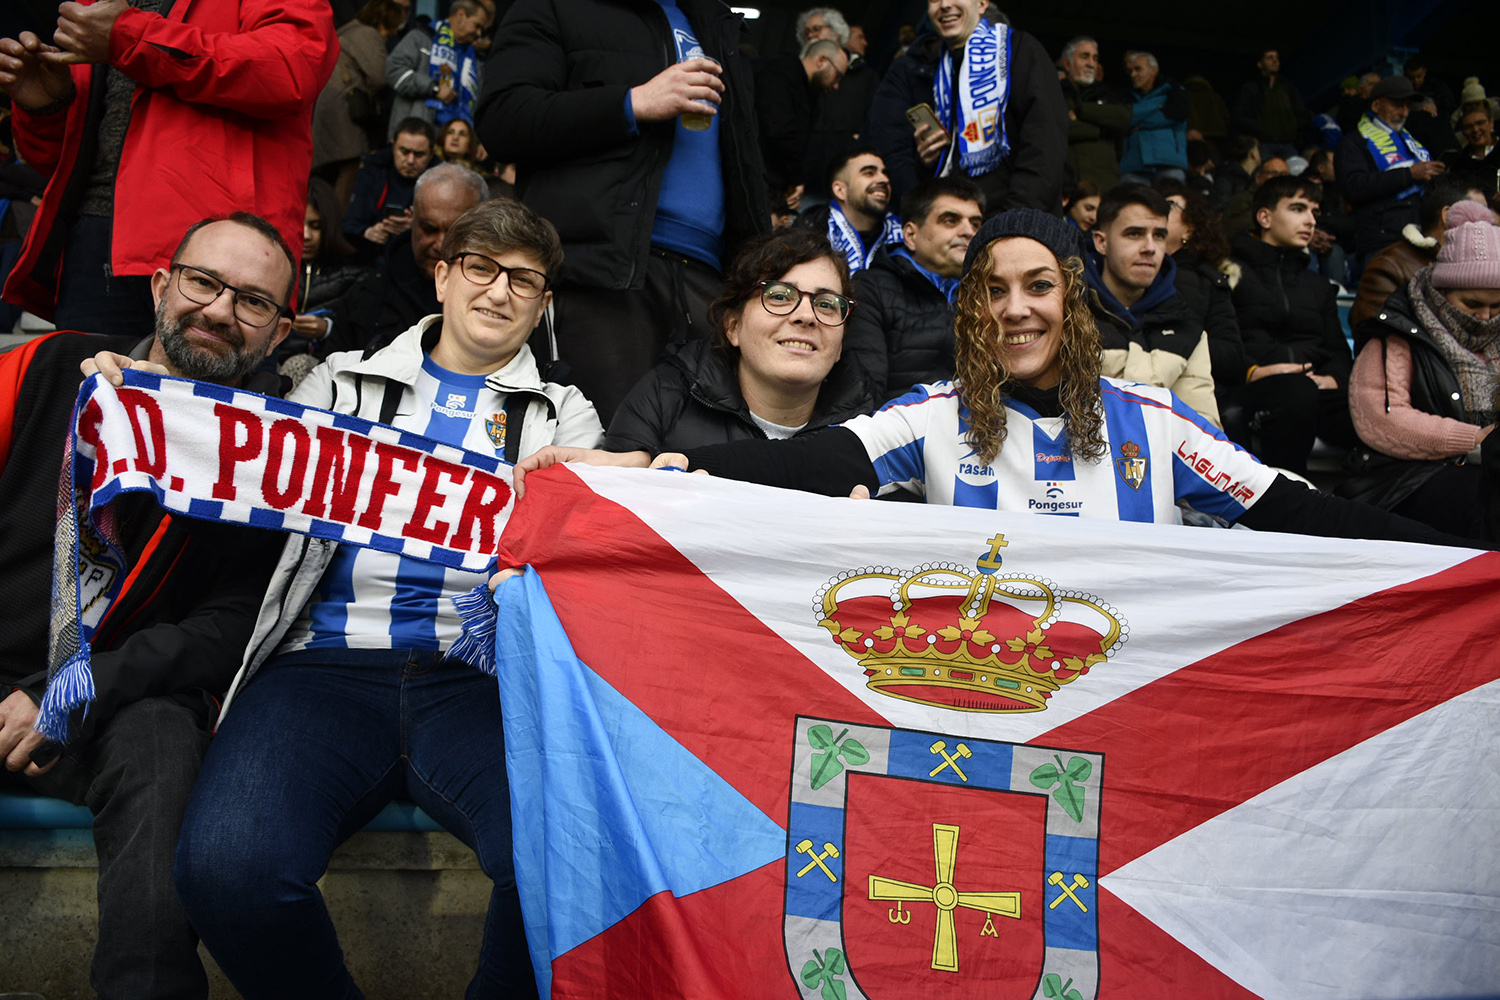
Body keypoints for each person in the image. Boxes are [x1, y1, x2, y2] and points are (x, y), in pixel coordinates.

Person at [171, 198, 603, 999]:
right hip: (321, 671)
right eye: (481, 267)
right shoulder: (338, 381)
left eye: (525, 281)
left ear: (543, 306)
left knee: (566, 868)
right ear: (441, 274)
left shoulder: (566, 414)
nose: (499, 291)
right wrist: (142, 385)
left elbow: (593, 530)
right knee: (227, 868)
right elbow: (227, 440)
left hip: (483, 683)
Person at [516, 208, 1468, 548]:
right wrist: (655, 474)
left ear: (1075, 301)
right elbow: (812, 458)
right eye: (993, 291)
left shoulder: (1161, 424)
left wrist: (1462, 562)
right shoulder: (932, 417)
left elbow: (1300, 513)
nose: (1016, 309)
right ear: (969, 313)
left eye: (1039, 286)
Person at [0, 214, 295, 1000]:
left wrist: (67, 691)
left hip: (110, 698)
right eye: (203, 281)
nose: (221, 311)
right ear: (163, 284)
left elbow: (228, 629)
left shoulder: (275, 454)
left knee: (165, 737)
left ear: (279, 330)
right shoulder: (48, 367)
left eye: (254, 301)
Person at [477, 0, 770, 424]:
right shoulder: (556, 5)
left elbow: (747, 161)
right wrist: (631, 104)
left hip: (712, 280)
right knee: (604, 447)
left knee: (703, 462)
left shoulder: (715, 22)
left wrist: (755, 273)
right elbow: (502, 118)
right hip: (603, 272)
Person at [0, 0, 336, 334]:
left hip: (218, 257)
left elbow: (291, 70)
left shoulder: (112, 20)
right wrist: (46, 107)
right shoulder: (95, 8)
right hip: (93, 244)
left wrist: (131, 36)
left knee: (199, 388)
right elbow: (56, 163)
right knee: (91, 386)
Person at [605, 227, 871, 454]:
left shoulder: (872, 436)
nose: (806, 316)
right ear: (733, 327)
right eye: (779, 296)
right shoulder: (665, 398)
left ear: (840, 345)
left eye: (826, 304)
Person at [1339, 201, 1498, 540]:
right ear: (1441, 292)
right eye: (1472, 304)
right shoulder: (1398, 333)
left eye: (1496, 305)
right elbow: (1381, 421)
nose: (1485, 317)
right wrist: (1476, 440)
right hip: (1405, 481)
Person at [865, 0, 1067, 212]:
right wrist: (926, 162)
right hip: (952, 225)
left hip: (1013, 221)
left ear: (981, 4)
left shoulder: (1019, 49)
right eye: (935, 0)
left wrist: (1014, 220)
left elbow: (1044, 141)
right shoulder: (926, 67)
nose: (944, 5)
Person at [1227, 175, 1355, 474]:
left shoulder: (1319, 285)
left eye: (1314, 212)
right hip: (1251, 387)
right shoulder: (1229, 273)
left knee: (1374, 410)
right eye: (1298, 209)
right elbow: (1221, 343)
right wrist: (1254, 372)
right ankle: (1287, 496)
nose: (1311, 221)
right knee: (1297, 393)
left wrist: (1333, 379)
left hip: (1313, 389)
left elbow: (1337, 350)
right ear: (1264, 217)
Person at [1084, 183, 1219, 425]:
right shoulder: (1066, 314)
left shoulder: (1187, 327)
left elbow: (1204, 432)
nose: (1150, 248)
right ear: (1101, 242)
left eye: (1159, 235)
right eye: (1134, 234)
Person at [843, 177, 984, 401]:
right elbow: (863, 393)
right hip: (897, 430)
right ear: (911, 235)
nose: (968, 232)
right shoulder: (872, 288)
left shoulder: (988, 295)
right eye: (950, 220)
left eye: (975, 224)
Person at [340, 161, 488, 353]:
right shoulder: (368, 296)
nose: (440, 245)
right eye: (429, 229)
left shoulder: (502, 300)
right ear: (413, 220)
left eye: (455, 232)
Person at [1350, 176, 1492, 330]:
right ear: (1449, 216)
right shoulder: (1389, 267)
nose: (1488, 227)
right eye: (1480, 217)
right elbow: (1378, 337)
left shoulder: (1486, 269)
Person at [1336, 75, 1447, 266]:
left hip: (1422, 239)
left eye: (1407, 106)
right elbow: (1353, 188)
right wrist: (1409, 174)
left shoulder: (1412, 142)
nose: (1404, 112)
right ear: (1376, 105)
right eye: (1397, 105)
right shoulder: (1354, 142)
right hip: (1382, 243)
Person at [311, 0, 408, 209]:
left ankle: (321, 220)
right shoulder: (367, 34)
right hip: (346, 111)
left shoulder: (348, 31)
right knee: (349, 169)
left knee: (328, 173)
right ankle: (334, 227)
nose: (390, 35)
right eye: (390, 30)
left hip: (330, 108)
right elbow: (380, 76)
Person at [277, 178, 376, 373]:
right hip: (267, 359)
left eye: (315, 226)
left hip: (321, 368)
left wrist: (326, 329)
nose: (306, 235)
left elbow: (362, 334)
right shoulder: (273, 264)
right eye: (300, 223)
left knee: (298, 367)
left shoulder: (354, 272)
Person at [1167, 192, 1247, 406]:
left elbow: (1232, 357)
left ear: (1189, 228)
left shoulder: (1205, 281)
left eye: (1170, 205)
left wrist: (1168, 341)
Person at [798, 7, 882, 203]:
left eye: (816, 28)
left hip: (847, 179)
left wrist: (857, 140)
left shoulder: (865, 76)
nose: (811, 35)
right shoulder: (797, 74)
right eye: (806, 31)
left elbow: (875, 119)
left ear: (837, 32)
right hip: (804, 181)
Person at [755, 37, 848, 210]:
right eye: (838, 76)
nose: (836, 85)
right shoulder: (779, 73)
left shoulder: (810, 94)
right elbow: (780, 131)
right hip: (758, 181)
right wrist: (796, 178)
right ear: (821, 61)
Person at [385, 0, 491, 138]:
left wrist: (478, 141)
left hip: (455, 145)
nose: (479, 33)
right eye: (477, 26)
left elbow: (478, 105)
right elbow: (393, 70)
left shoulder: (474, 59)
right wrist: (433, 88)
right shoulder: (421, 38)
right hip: (416, 138)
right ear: (461, 15)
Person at [798, 147, 902, 274]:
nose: (884, 180)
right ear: (840, 190)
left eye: (885, 173)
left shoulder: (905, 237)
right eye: (869, 173)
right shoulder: (808, 236)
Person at [342, 116, 436, 256]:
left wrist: (418, 228)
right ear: (393, 147)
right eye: (404, 151)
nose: (410, 160)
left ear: (431, 154)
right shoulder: (371, 173)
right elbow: (348, 224)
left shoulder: (441, 182)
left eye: (419, 154)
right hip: (370, 258)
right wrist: (368, 232)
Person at [1059, 35, 1132, 193]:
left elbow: (1124, 119)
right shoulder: (1054, 92)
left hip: (1104, 184)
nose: (1091, 64)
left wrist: (1079, 110)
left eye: (1095, 58)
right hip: (1065, 184)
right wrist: (1103, 129)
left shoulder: (1107, 93)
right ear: (1067, 63)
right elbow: (1058, 128)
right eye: (1084, 57)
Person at [1119, 51, 1188, 185]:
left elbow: (1179, 113)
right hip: (1133, 165)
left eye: (1138, 69)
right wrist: (1157, 107)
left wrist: (1141, 123)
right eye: (1130, 71)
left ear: (1153, 70)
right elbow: (1125, 119)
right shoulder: (1123, 95)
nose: (1133, 75)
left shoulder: (1173, 91)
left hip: (1169, 163)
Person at [1231, 48, 1309, 162]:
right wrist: (1260, 128)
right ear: (1260, 64)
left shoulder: (1287, 87)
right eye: (1270, 57)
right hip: (1263, 144)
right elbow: (1238, 117)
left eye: (1277, 57)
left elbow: (1301, 112)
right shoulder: (1252, 88)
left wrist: (1293, 128)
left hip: (1288, 143)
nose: (1275, 60)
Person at [1441, 84, 1500, 198]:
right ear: (1462, 132)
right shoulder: (1459, 165)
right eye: (1468, 127)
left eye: (1480, 123)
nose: (1475, 130)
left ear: (1491, 123)